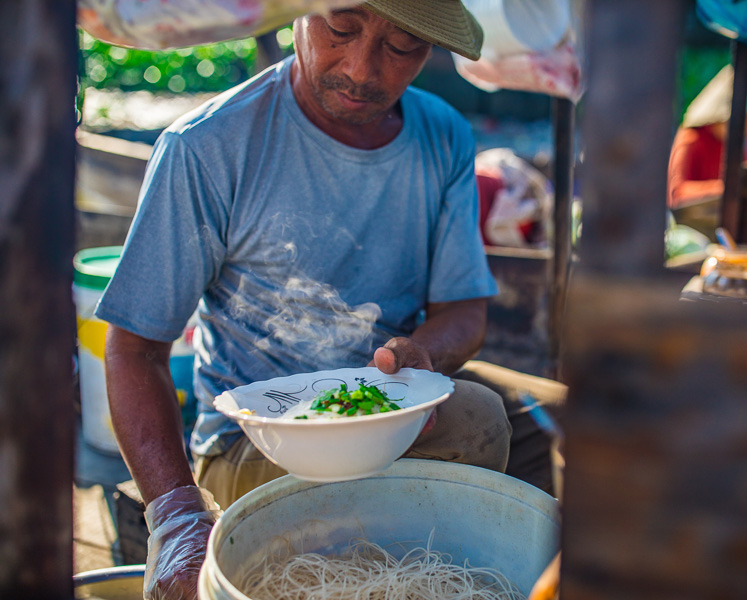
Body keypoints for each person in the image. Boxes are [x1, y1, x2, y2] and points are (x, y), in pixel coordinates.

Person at [96, 3, 514, 598]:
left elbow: (465, 310)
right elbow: (133, 351)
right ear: (294, 12)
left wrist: (424, 353)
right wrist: (177, 517)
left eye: (401, 48)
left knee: (483, 417)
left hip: (388, 418)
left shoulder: (442, 135)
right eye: (340, 29)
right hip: (258, 444)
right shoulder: (207, 146)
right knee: (474, 424)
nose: (362, 70)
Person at [667, 65, 747, 209]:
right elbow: (676, 193)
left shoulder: (736, 143)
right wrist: (727, 187)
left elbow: (746, 180)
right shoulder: (691, 139)